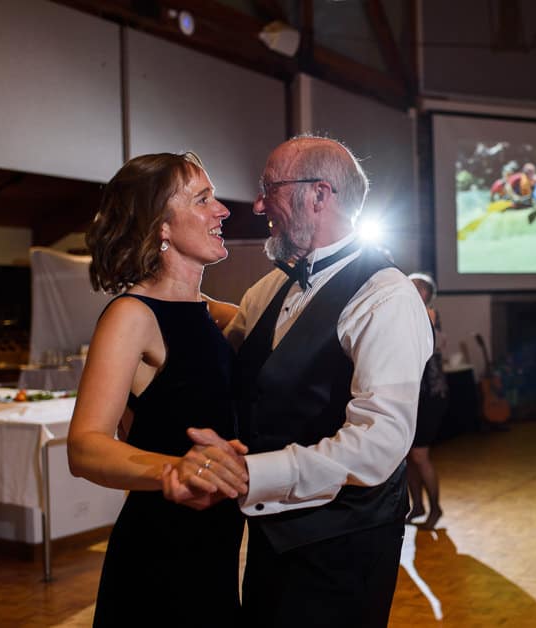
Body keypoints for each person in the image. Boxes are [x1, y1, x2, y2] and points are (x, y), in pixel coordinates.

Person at [164, 135, 433, 627]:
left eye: (271, 189)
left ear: (318, 195)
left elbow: (379, 444)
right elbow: (225, 371)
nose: (260, 204)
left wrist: (251, 475)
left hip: (345, 543)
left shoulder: (386, 296)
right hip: (269, 534)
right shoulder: (268, 289)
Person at [67, 152, 249, 627]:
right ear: (161, 226)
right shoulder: (133, 315)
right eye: (202, 199)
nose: (223, 210)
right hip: (161, 558)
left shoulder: (218, 315)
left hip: (218, 548)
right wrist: (181, 468)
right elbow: (84, 447)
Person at [406, 272, 450, 530]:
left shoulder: (431, 319)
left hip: (431, 397)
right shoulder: (410, 317)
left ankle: (435, 508)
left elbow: (428, 349)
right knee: (409, 457)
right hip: (412, 397)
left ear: (422, 293)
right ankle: (418, 506)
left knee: (420, 455)